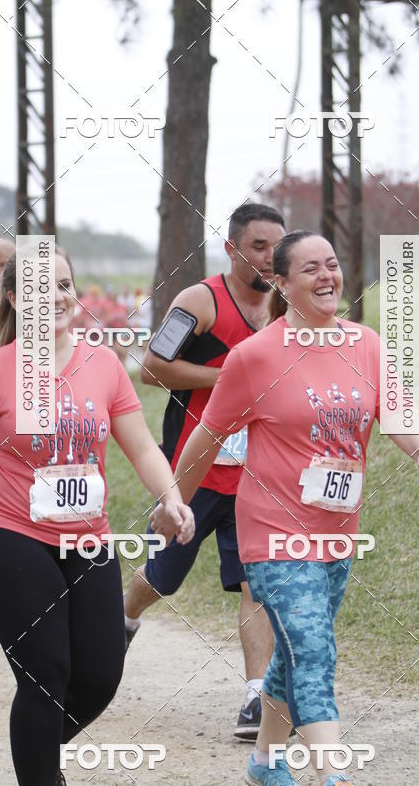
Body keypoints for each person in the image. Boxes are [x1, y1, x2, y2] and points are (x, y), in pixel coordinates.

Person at [168, 231, 419, 785]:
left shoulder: (364, 343)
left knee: (295, 651)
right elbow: (207, 436)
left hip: (337, 532)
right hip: (273, 534)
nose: (327, 277)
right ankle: (332, 774)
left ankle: (266, 763)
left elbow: (398, 412)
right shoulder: (255, 357)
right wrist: (173, 500)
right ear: (282, 282)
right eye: (311, 269)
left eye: (333, 265)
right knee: (315, 652)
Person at [0, 247, 194, 786]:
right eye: (44, 289)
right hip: (12, 536)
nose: (59, 298)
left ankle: (38, 751)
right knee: (46, 675)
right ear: (18, 300)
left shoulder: (104, 364)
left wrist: (172, 496)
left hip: (88, 539)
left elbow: (139, 447)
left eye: (66, 286)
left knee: (99, 677)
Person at [124, 202, 286, 740]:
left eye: (275, 247)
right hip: (196, 473)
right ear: (232, 248)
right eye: (257, 247)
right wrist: (227, 380)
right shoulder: (202, 300)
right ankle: (118, 625)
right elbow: (149, 366)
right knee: (160, 581)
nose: (268, 257)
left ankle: (254, 700)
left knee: (255, 585)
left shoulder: (288, 305)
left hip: (259, 478)